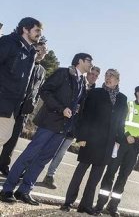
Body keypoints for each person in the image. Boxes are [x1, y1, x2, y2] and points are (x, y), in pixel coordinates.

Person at [0, 53, 92, 205]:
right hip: (49, 122)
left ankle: (24, 191)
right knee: (29, 155)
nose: (91, 64)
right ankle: (7, 189)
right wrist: (61, 108)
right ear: (80, 61)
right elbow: (45, 91)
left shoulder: (83, 82)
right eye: (89, 61)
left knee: (43, 160)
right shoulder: (63, 73)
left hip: (63, 128)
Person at [60, 69, 127, 215]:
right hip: (91, 139)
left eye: (112, 75)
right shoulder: (95, 93)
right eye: (107, 75)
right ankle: (68, 202)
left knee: (95, 177)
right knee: (80, 173)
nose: (108, 77)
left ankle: (86, 205)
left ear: (118, 80)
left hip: (108, 143)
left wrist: (119, 140)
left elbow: (121, 122)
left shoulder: (122, 99)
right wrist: (82, 137)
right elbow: (85, 115)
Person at [94, 84, 139, 217]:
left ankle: (113, 206)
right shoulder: (128, 105)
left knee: (123, 178)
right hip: (122, 143)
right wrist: (127, 135)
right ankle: (100, 205)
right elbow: (120, 121)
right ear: (138, 93)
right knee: (110, 173)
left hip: (135, 148)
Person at [42, 66, 101, 189]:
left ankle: (49, 176)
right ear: (87, 73)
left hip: (75, 127)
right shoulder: (78, 82)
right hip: (61, 121)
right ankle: (27, 170)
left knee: (61, 152)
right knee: (47, 148)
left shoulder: (95, 92)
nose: (93, 76)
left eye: (96, 75)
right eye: (92, 73)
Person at [0, 37, 48, 176]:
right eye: (38, 50)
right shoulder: (25, 61)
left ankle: (3, 164)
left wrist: (33, 103)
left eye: (43, 51)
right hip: (11, 104)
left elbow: (38, 90)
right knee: (2, 134)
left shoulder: (42, 71)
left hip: (24, 110)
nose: (40, 53)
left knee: (13, 139)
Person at [0, 17, 42, 146]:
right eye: (37, 30)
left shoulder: (31, 53)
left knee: (4, 136)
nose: (39, 34)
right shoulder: (8, 42)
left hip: (13, 107)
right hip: (2, 99)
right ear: (25, 29)